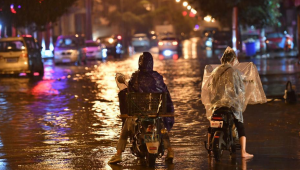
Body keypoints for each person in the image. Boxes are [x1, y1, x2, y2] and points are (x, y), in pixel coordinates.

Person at [108, 52, 175, 164]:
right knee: (162, 128)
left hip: (139, 112)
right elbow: (165, 92)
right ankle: (170, 151)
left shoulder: (135, 76)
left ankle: (118, 154)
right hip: (155, 111)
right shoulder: (157, 77)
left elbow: (129, 92)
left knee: (126, 128)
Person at [204, 47, 253, 158]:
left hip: (216, 104)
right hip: (231, 105)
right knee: (240, 125)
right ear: (232, 60)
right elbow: (240, 89)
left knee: (211, 125)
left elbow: (209, 88)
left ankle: (210, 150)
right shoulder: (234, 72)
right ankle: (243, 152)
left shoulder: (215, 71)